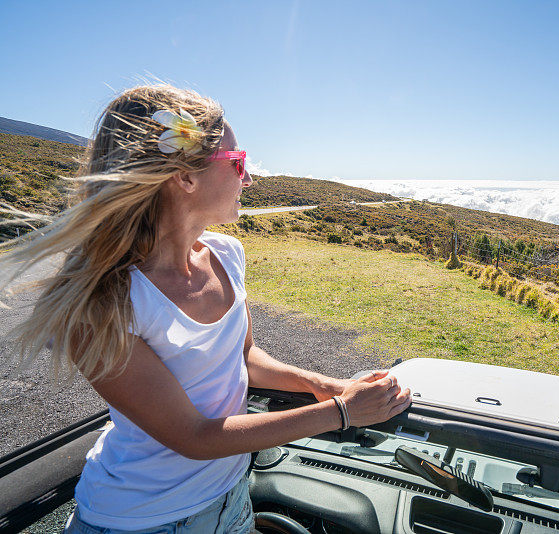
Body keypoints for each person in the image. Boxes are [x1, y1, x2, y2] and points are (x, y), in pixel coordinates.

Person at [0, 84, 411, 533]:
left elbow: (245, 357)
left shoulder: (227, 255)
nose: (248, 179)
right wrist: (342, 413)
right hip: (138, 521)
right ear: (185, 177)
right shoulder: (104, 304)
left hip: (231, 498)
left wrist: (325, 384)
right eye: (237, 162)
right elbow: (192, 436)